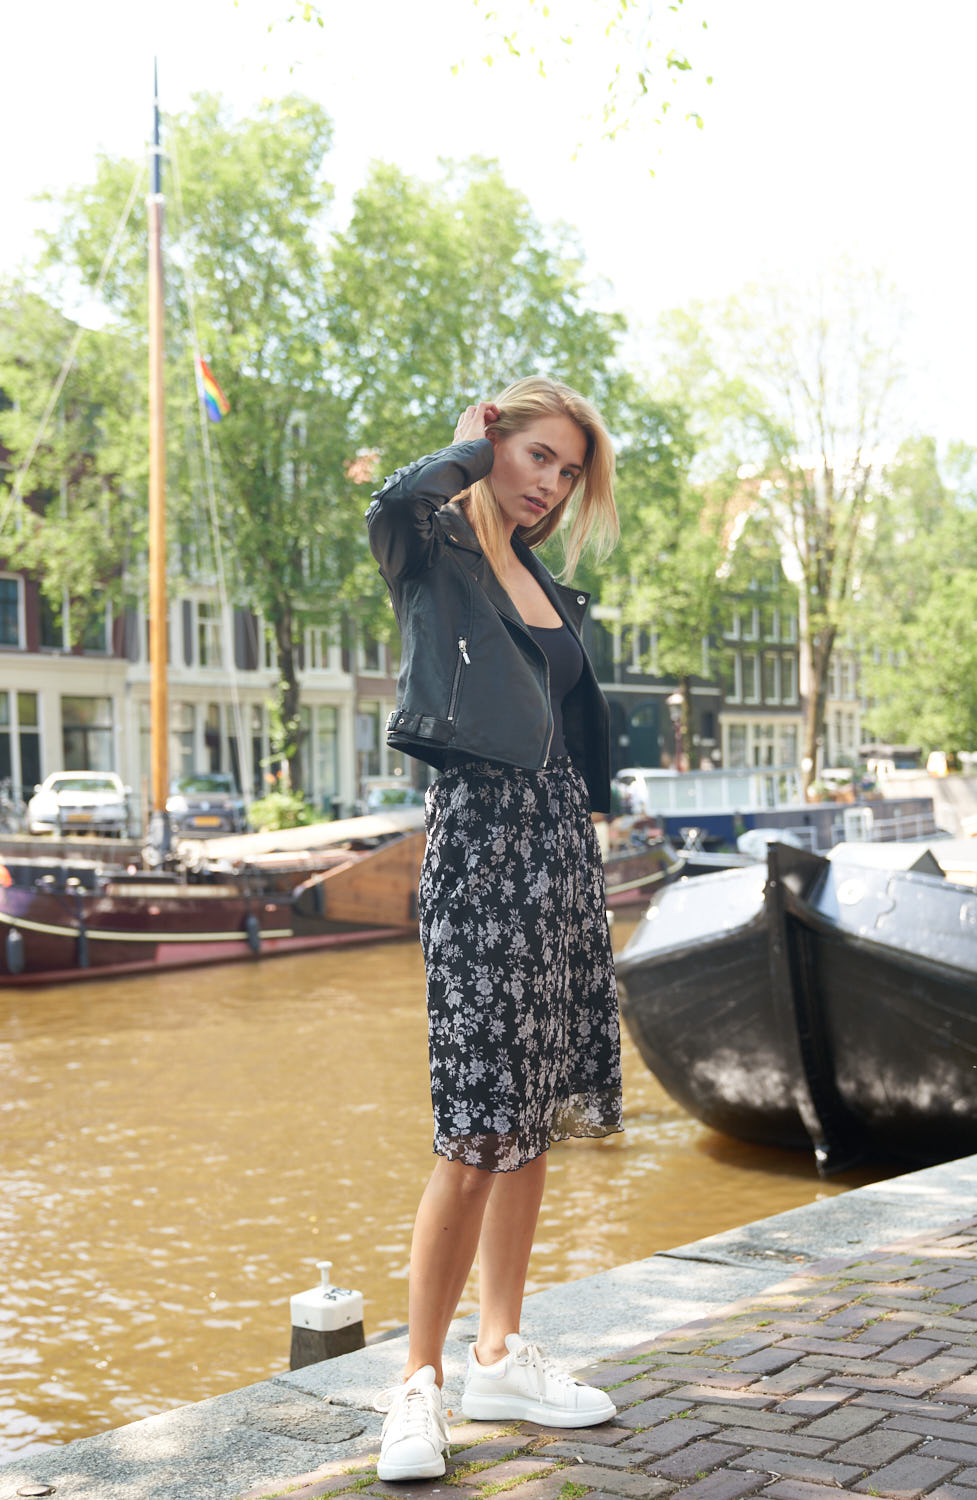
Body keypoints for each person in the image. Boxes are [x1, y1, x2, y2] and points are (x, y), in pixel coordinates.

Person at [365, 376, 623, 1482]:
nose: (550, 483)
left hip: (558, 847)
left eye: (568, 470)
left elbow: (560, 725)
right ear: (492, 440)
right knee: (474, 1126)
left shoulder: (545, 582)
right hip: (478, 846)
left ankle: (500, 1354)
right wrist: (464, 450)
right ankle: (415, 1383)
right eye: (536, 456)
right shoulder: (432, 551)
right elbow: (392, 501)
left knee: (534, 1114)